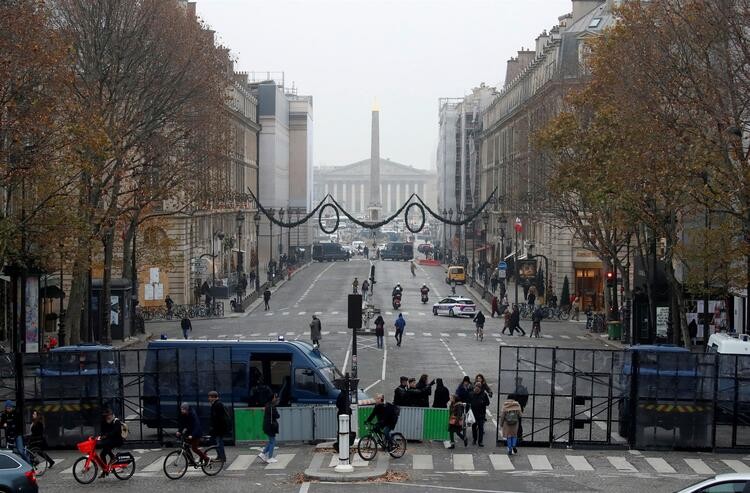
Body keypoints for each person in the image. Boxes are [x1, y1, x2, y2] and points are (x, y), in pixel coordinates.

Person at [98, 408, 124, 474]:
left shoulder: (116, 421)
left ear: (112, 415)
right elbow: (102, 431)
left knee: (105, 450)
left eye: (108, 415)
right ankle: (105, 468)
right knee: (102, 454)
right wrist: (101, 436)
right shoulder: (104, 421)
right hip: (109, 440)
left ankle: (110, 464)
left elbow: (114, 432)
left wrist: (106, 435)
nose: (107, 417)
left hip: (117, 440)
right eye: (105, 416)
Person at [208, 391, 230, 462]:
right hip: (217, 428)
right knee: (217, 442)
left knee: (219, 443)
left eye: (210, 397)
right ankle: (219, 456)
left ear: (214, 397)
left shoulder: (218, 405)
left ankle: (222, 457)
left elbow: (219, 418)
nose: (209, 398)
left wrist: (215, 428)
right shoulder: (215, 404)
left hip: (219, 429)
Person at [259, 394, 280, 464]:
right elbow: (277, 415)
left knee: (271, 441)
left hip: (267, 426)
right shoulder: (272, 407)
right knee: (273, 441)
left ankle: (263, 453)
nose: (277, 400)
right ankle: (270, 457)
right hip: (270, 426)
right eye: (275, 398)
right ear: (273, 399)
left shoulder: (267, 405)